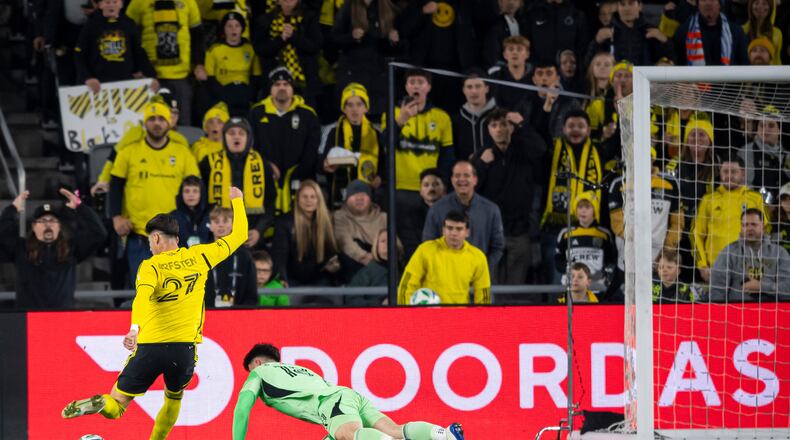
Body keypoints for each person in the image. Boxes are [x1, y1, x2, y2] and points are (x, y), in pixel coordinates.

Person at [61, 187, 248, 440]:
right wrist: (237, 201)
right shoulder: (200, 255)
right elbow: (240, 235)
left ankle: (102, 404)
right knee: (173, 400)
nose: (150, 247)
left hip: (150, 347)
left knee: (117, 405)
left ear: (158, 239)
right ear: (177, 239)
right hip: (183, 349)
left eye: (150, 241)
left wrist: (134, 329)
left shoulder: (151, 266)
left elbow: (142, 299)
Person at [232, 343, 465, 440]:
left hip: (332, 404)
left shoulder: (259, 373)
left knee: (348, 434)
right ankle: (443, 435)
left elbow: (242, 409)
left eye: (250, 368)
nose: (250, 373)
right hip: (347, 397)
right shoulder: (302, 370)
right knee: (394, 430)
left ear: (257, 363)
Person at [109, 100, 200, 285]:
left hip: (175, 236)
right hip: (141, 235)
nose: (156, 123)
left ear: (169, 123)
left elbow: (196, 189)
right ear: (144, 124)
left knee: (175, 292)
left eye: (161, 118)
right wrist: (116, 217)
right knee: (145, 291)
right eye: (151, 119)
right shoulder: (129, 152)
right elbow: (115, 185)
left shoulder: (182, 153)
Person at [0, 189, 107, 309]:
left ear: (59, 227)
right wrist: (12, 209)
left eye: (52, 220)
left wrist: (80, 207)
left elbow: (99, 233)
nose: (48, 224)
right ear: (34, 227)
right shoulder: (21, 248)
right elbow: (2, 235)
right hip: (29, 321)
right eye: (43, 221)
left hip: (62, 320)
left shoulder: (71, 249)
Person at [474, 107, 544, 285]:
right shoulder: (482, 156)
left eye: (504, 124)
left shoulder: (524, 151)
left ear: (512, 128)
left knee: (516, 287)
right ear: (488, 129)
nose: (498, 129)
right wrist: (482, 165)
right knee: (490, 287)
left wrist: (522, 124)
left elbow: (541, 150)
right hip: (491, 232)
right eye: (494, 125)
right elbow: (470, 188)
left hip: (520, 231)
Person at [386, 69, 454, 228]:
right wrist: (402, 120)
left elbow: (447, 157)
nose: (416, 86)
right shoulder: (391, 113)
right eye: (412, 82)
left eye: (420, 82)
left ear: (428, 87)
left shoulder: (441, 117)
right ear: (406, 87)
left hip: (430, 190)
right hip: (400, 188)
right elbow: (385, 144)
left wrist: (443, 187)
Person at [248, 67, 322, 214]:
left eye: (286, 84)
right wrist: (266, 165)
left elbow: (312, 148)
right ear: (270, 88)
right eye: (277, 84)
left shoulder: (307, 114)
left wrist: (296, 173)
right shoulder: (256, 113)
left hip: (300, 179)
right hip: (265, 178)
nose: (282, 88)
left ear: (292, 88)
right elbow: (250, 147)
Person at [541, 110, 603, 283]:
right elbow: (537, 141)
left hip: (589, 228)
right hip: (555, 227)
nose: (576, 130)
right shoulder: (553, 149)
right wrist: (545, 110)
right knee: (556, 280)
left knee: (590, 280)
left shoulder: (599, 150)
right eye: (571, 126)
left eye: (581, 126)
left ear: (589, 130)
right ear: (563, 129)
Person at [199, 117, 277, 249]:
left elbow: (270, 202)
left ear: (248, 138)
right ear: (224, 137)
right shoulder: (209, 163)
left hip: (251, 236)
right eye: (231, 133)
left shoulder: (262, 164)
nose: (236, 137)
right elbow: (201, 203)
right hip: (217, 236)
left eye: (241, 133)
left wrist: (259, 230)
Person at [126, 0, 204, 125]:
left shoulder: (189, 2)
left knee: (183, 124)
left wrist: (199, 63)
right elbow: (128, 36)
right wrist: (136, 67)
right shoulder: (138, 2)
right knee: (150, 123)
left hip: (181, 76)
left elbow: (197, 36)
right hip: (149, 77)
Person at [693, 158, 767, 282]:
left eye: (734, 172)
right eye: (725, 171)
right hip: (715, 269)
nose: (729, 176)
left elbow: (765, 233)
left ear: (743, 173)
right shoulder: (708, 200)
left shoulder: (755, 199)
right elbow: (697, 234)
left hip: (748, 270)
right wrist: (702, 265)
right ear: (720, 173)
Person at [423, 161, 505, 271]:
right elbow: (428, 246)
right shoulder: (437, 209)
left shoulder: (491, 210)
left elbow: (498, 247)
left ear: (475, 180)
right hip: (446, 279)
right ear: (452, 180)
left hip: (480, 279)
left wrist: (482, 268)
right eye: (457, 176)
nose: (462, 179)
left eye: (466, 175)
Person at [400, 211, 490, 305]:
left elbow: (483, 293)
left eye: (459, 229)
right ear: (443, 230)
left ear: (467, 232)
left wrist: (482, 317)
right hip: (429, 315)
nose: (454, 233)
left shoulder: (478, 257)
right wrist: (404, 312)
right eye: (450, 228)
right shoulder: (425, 250)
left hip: (460, 316)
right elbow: (406, 285)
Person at [331, 0, 403, 116]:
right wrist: (351, 37)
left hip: (379, 76)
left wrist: (393, 41)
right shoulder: (349, 6)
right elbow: (334, 39)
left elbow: (401, 48)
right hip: (353, 73)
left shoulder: (389, 8)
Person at [319, 82, 382, 208]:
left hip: (368, 193)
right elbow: (320, 162)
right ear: (344, 108)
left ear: (366, 107)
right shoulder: (333, 131)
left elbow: (384, 164)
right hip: (340, 193)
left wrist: (380, 178)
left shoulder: (376, 133)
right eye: (350, 105)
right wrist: (325, 165)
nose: (354, 109)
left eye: (359, 104)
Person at [73, 0, 156, 93]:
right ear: (100, 5)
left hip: (126, 84)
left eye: (115, 2)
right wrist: (87, 77)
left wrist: (151, 76)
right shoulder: (91, 25)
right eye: (107, 2)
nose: (111, 5)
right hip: (98, 85)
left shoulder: (129, 23)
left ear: (121, 4)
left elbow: (139, 52)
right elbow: (79, 54)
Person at [272, 180, 341, 290]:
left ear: (319, 200)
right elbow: (280, 256)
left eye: (313, 197)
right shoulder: (284, 222)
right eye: (305, 197)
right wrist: (282, 279)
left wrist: (333, 265)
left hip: (320, 279)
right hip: (292, 279)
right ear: (298, 199)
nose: (309, 200)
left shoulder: (327, 221)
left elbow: (332, 252)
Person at [709, 209, 790, 301]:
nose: (749, 228)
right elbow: (717, 290)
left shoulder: (779, 252)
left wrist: (761, 286)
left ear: (763, 226)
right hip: (736, 311)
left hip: (772, 311)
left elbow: (787, 289)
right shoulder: (728, 252)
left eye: (754, 224)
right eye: (745, 225)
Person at [253, 0, 323, 105]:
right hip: (274, 81)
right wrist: (280, 39)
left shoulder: (308, 18)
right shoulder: (265, 20)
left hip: (303, 82)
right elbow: (261, 49)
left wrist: (294, 36)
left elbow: (315, 46)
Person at [204, 12, 263, 116]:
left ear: (242, 29)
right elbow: (210, 79)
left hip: (245, 95)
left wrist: (250, 94)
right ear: (224, 29)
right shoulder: (214, 50)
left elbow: (256, 76)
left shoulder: (250, 49)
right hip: (223, 95)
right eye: (229, 26)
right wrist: (223, 94)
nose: (233, 29)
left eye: (237, 26)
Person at [555, 192, 616, 292]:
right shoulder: (565, 233)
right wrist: (569, 270)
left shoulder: (604, 234)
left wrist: (605, 273)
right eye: (580, 207)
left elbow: (611, 260)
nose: (583, 211)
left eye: (587, 207)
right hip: (571, 287)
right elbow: (558, 260)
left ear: (594, 210)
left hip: (597, 287)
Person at [584, 0, 672, 67]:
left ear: (640, 6)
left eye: (631, 3)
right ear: (617, 7)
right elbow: (588, 65)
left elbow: (671, 64)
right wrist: (596, 42)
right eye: (622, 4)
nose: (626, 8)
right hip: (615, 85)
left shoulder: (653, 32)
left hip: (644, 85)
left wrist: (665, 42)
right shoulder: (605, 33)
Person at [333, 180, 387, 283]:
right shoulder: (339, 216)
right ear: (347, 199)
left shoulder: (383, 218)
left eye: (363, 194)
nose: (359, 198)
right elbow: (344, 242)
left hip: (381, 269)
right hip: (353, 268)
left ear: (371, 199)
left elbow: (395, 246)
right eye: (354, 194)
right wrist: (365, 257)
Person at [204, 207, 258, 307]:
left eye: (225, 221)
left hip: (238, 315)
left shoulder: (244, 256)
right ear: (210, 226)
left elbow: (251, 293)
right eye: (216, 221)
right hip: (207, 313)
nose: (220, 225)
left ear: (233, 225)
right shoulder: (202, 253)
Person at [673, 0, 749, 66]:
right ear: (698, 4)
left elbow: (743, 62)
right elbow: (677, 60)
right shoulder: (684, 31)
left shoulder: (735, 31)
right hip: (693, 81)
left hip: (727, 81)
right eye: (703, 0)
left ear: (720, 4)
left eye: (712, 0)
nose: (708, 3)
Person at [739, 109, 787, 201]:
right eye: (762, 125)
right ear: (757, 129)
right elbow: (744, 185)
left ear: (779, 130)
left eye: (771, 125)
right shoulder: (746, 151)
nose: (765, 129)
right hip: (754, 205)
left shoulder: (787, 155)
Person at [399, 168, 446, 261]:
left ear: (444, 189)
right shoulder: (410, 216)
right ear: (420, 190)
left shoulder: (453, 213)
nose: (431, 188)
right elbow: (411, 248)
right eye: (426, 185)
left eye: (436, 184)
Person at [348, 228, 403, 305]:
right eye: (383, 241)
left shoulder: (405, 269)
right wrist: (379, 303)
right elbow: (352, 299)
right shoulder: (367, 272)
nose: (387, 243)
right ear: (376, 246)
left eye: (390, 239)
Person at [451, 69, 496, 162]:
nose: (474, 91)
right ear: (464, 90)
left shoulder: (499, 116)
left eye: (478, 86)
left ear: (487, 88)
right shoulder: (456, 120)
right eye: (469, 87)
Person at [170, 175, 212, 247]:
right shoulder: (172, 218)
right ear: (181, 194)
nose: (191, 195)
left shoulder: (211, 215)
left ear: (202, 194)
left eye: (195, 191)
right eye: (187, 191)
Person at [481, 0, 526, 68]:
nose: (511, 2)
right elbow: (492, 56)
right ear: (499, 2)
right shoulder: (496, 26)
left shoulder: (522, 24)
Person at [743, 0, 783, 65]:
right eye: (756, 3)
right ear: (750, 6)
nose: (760, 7)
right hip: (748, 73)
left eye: (764, 3)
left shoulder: (777, 33)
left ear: (770, 7)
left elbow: (777, 59)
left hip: (771, 73)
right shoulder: (742, 30)